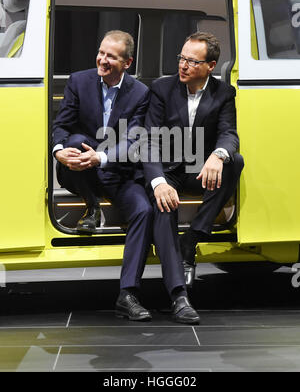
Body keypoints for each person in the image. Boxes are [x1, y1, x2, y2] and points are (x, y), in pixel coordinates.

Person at [53, 30, 154, 322]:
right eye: (101, 52)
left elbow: (135, 139)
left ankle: (128, 294)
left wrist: (103, 157)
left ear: (127, 63)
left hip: (115, 170)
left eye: (111, 56)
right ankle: (91, 204)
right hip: (79, 171)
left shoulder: (140, 93)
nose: (102, 60)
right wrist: (59, 150)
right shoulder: (78, 81)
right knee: (74, 140)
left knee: (144, 210)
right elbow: (62, 125)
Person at [143, 32, 244, 321]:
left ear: (210, 65)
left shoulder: (224, 92)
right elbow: (148, 140)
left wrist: (218, 155)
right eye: (181, 58)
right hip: (167, 169)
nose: (183, 65)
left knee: (234, 161)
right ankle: (178, 293)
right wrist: (158, 182)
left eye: (191, 60)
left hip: (199, 168)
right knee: (164, 206)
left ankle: (193, 238)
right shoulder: (161, 89)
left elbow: (228, 133)